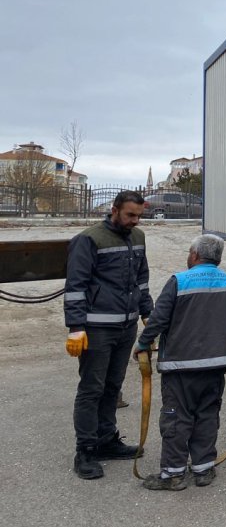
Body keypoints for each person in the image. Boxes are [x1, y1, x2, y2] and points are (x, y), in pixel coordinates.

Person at [133, 233, 226, 490]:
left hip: (181, 366)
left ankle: (173, 474)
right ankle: (203, 468)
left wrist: (143, 344)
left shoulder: (179, 281)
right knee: (208, 413)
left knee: (177, 416)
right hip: (216, 367)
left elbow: (159, 318)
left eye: (189, 252)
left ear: (195, 255)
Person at [64, 189, 153, 480]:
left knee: (112, 387)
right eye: (130, 215)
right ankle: (86, 450)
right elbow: (76, 286)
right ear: (114, 210)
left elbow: (141, 279)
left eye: (139, 216)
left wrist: (147, 313)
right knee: (92, 389)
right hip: (96, 329)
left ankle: (106, 440)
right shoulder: (89, 240)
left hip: (126, 327)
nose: (135, 221)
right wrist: (76, 328)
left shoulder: (138, 238)